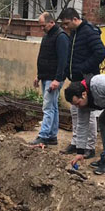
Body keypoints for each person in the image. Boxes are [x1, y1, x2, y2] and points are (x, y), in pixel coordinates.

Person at [59, 8, 105, 159]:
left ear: (74, 19)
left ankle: (90, 147)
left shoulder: (88, 31)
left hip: (86, 79)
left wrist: (83, 68)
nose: (65, 27)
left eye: (66, 23)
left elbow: (100, 52)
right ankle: (77, 142)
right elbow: (71, 55)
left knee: (88, 113)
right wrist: (68, 70)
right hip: (76, 79)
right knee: (75, 111)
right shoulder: (74, 33)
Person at [30, 12, 69, 146]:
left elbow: (63, 61)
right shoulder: (47, 36)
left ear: (51, 22)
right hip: (46, 77)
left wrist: (57, 79)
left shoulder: (61, 37)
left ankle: (44, 135)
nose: (42, 29)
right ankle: (52, 136)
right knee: (53, 106)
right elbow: (44, 57)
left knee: (47, 107)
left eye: (43, 26)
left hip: (53, 79)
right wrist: (39, 75)